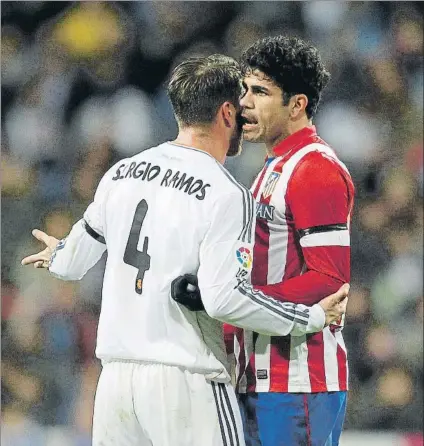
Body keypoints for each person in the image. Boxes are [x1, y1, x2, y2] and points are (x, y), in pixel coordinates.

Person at [21, 54, 349, 446]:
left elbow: (72, 263)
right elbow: (224, 300)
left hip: (115, 383)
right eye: (242, 103)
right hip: (185, 379)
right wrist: (309, 316)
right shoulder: (226, 193)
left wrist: (57, 254)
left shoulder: (123, 172)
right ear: (227, 113)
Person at [173, 36, 355, 446]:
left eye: (260, 92)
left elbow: (329, 278)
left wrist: (240, 302)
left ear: (297, 104)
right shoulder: (270, 168)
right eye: (243, 91)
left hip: (299, 380)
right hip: (258, 373)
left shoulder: (315, 170)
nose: (244, 104)